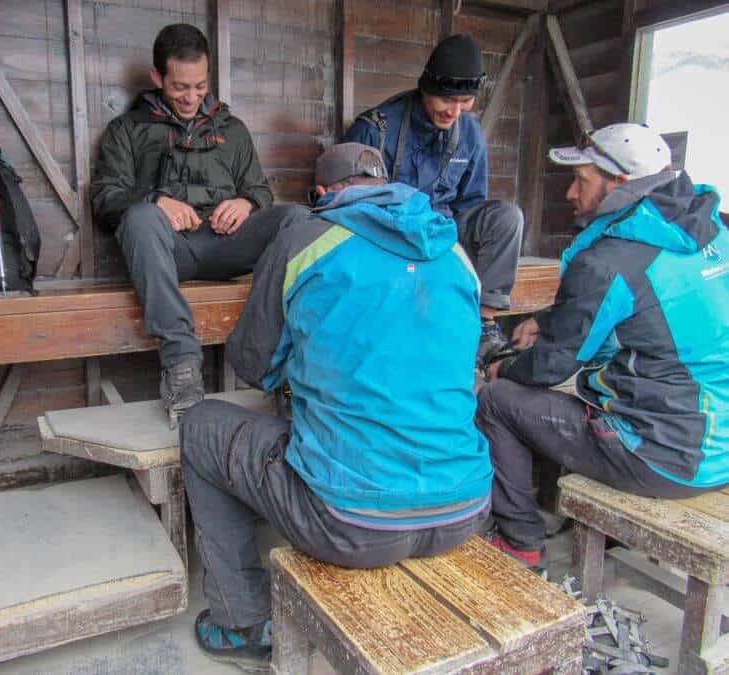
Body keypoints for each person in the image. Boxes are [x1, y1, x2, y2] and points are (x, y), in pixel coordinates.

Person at [180, 143, 492, 671]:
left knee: (201, 426)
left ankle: (240, 622)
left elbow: (252, 364)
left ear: (322, 195)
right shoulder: (454, 250)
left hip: (350, 524)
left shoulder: (306, 237)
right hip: (465, 509)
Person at [479, 123, 729, 569]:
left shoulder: (608, 260)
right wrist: (545, 320)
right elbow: (643, 305)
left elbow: (553, 366)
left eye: (582, 180)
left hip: (664, 456)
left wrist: (504, 369)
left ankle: (519, 541)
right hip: (719, 445)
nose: (572, 194)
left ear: (620, 183)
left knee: (499, 401)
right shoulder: (710, 231)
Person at [91, 23, 298, 426]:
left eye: (200, 86)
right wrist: (156, 201)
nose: (191, 97)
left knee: (297, 219)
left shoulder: (232, 130)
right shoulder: (127, 130)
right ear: (157, 78)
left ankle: (288, 363)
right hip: (168, 251)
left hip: (228, 246)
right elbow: (104, 198)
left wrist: (246, 201)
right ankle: (182, 367)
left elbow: (260, 190)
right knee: (141, 218)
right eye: (179, 87)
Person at [343, 34, 523, 361]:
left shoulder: (470, 134)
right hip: (392, 238)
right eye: (446, 99)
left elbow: (472, 202)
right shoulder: (376, 128)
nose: (455, 110)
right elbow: (347, 205)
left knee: (507, 218)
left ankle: (484, 325)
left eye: (465, 101)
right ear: (426, 87)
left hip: (446, 234)